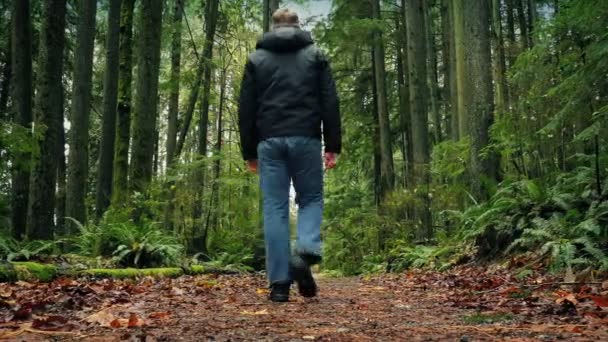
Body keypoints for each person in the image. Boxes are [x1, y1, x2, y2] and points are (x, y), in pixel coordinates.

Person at [238, 8, 342, 302]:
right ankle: (306, 250)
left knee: (274, 208)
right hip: (306, 138)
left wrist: (249, 151)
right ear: (298, 26)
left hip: (269, 142)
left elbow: (246, 108)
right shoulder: (316, 55)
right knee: (310, 198)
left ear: (273, 27)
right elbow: (330, 102)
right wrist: (333, 145)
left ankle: (280, 285)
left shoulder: (256, 59)